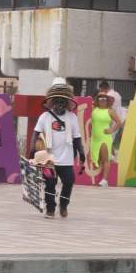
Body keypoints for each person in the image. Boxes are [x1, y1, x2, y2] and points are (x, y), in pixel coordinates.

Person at [30, 82, 85, 219]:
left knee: (69, 182)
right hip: (49, 159)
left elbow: (77, 137)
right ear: (52, 102)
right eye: (57, 100)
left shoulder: (72, 117)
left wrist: (81, 153)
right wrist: (32, 150)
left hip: (66, 159)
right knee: (50, 184)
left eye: (62, 101)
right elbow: (35, 133)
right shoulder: (44, 117)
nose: (59, 104)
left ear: (67, 102)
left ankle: (64, 204)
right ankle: (50, 209)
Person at [90, 92, 121, 188]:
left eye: (105, 99)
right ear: (97, 100)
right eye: (100, 99)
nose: (102, 100)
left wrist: (111, 130)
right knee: (95, 157)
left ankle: (105, 180)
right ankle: (95, 178)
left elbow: (118, 122)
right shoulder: (93, 109)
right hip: (94, 138)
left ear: (108, 101)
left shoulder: (110, 111)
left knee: (105, 158)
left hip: (105, 137)